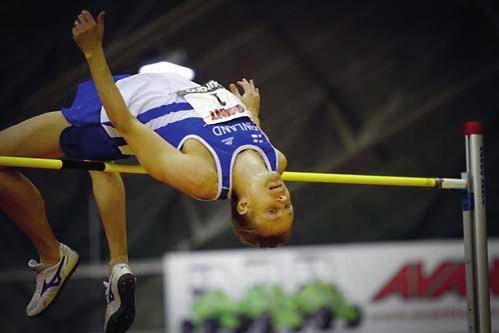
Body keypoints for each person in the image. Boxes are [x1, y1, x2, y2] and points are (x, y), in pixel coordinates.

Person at [0, 9, 294, 333]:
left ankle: (52, 256)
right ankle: (116, 266)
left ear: (244, 205)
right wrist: (249, 114)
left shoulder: (203, 176)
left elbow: (125, 123)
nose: (281, 199)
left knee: (15, 157)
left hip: (112, 113)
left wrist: (93, 51)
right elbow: (242, 138)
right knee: (98, 166)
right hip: (152, 85)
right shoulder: (274, 159)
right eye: (287, 207)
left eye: (272, 211)